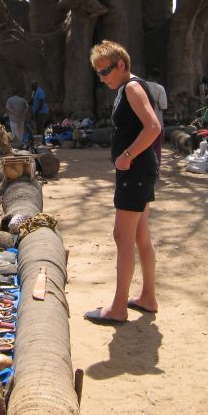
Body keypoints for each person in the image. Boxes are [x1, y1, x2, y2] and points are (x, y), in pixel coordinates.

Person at [84, 40, 161, 325]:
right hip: (140, 171)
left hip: (135, 172)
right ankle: (148, 297)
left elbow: (154, 127)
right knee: (141, 237)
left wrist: (127, 155)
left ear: (121, 65)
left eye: (105, 71)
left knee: (122, 237)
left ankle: (118, 307)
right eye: (98, 73)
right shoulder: (128, 88)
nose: (102, 78)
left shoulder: (131, 87)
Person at [145, 69, 168, 167]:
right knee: (156, 147)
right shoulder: (159, 88)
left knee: (142, 146)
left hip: (141, 122)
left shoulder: (140, 86)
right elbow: (163, 106)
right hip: (156, 122)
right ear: (158, 78)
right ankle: (155, 168)